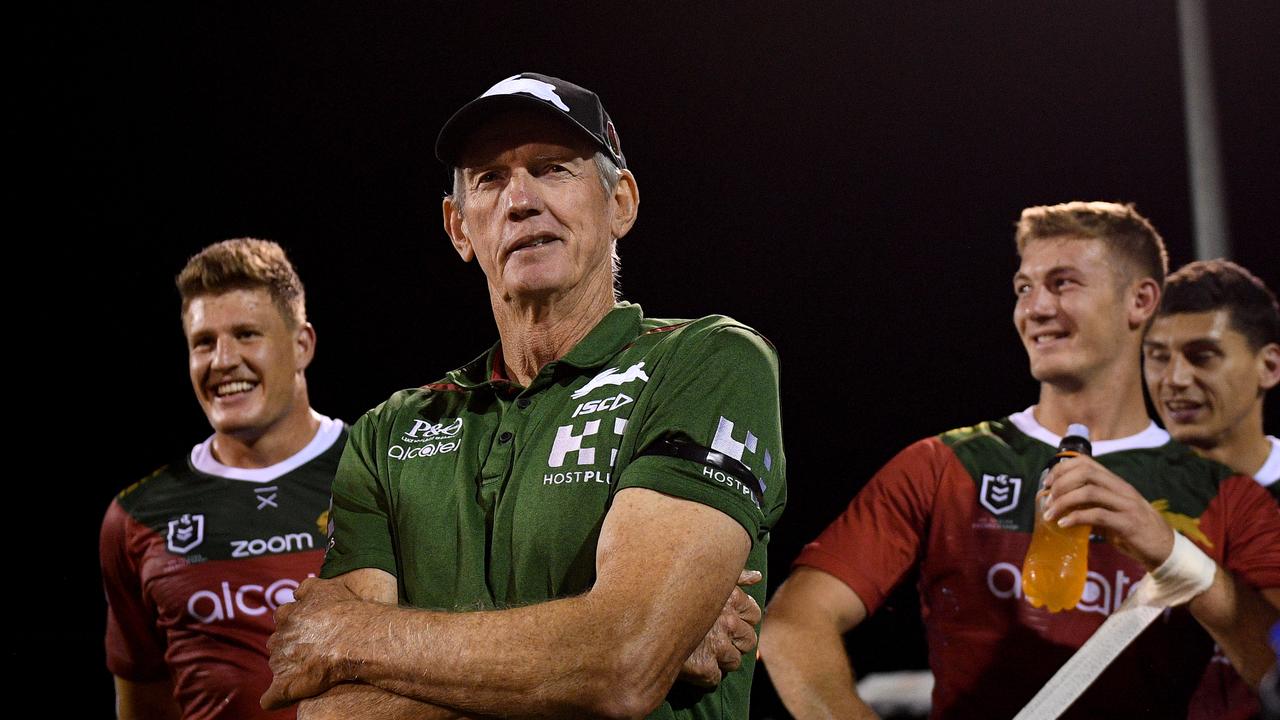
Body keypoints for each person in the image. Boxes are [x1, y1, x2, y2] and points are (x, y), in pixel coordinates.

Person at [260, 73, 786, 719]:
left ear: (620, 201)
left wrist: (349, 639)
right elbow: (332, 712)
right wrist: (600, 653)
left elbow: (619, 667)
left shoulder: (706, 359)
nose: (521, 200)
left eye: (553, 169)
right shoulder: (388, 433)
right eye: (488, 179)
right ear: (458, 228)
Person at [759, 201, 1280, 719]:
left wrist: (1172, 555)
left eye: (1063, 283)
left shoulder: (1230, 494)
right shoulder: (944, 465)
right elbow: (793, 623)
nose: (1036, 309)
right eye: (1024, 288)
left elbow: (1272, 664)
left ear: (1140, 301)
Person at [100, 239, 345, 719]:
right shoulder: (136, 518)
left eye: (247, 334)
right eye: (204, 342)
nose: (222, 360)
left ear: (302, 346)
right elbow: (144, 706)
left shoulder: (378, 473)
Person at [1142, 258, 1280, 719]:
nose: (1174, 380)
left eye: (1202, 355)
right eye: (1158, 356)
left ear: (1270, 366)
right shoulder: (1130, 506)